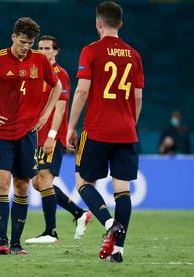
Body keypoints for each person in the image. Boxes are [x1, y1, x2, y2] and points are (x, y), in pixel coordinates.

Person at [0, 17, 62, 255]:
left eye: (29, 42)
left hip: (28, 133)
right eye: (22, 41)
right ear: (13, 37)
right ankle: (2, 242)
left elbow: (56, 86)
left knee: (22, 185)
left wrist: (44, 114)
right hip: (1, 131)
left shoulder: (39, 60)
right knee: (2, 181)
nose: (25, 47)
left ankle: (17, 244)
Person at [67, 1, 144, 263]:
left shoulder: (91, 51)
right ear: (120, 24)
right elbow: (138, 98)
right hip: (126, 131)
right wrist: (129, 123)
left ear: (98, 23)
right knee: (122, 191)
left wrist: (70, 126)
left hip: (98, 130)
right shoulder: (134, 55)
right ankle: (118, 250)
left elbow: (81, 91)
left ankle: (109, 222)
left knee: (83, 183)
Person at [25, 35, 92, 244]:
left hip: (52, 137)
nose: (43, 51)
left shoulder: (59, 74)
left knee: (44, 179)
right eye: (40, 48)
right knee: (37, 183)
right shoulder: (34, 73)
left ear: (56, 51)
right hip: (36, 136)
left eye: (47, 48)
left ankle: (50, 232)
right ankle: (79, 213)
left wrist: (53, 136)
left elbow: (61, 107)